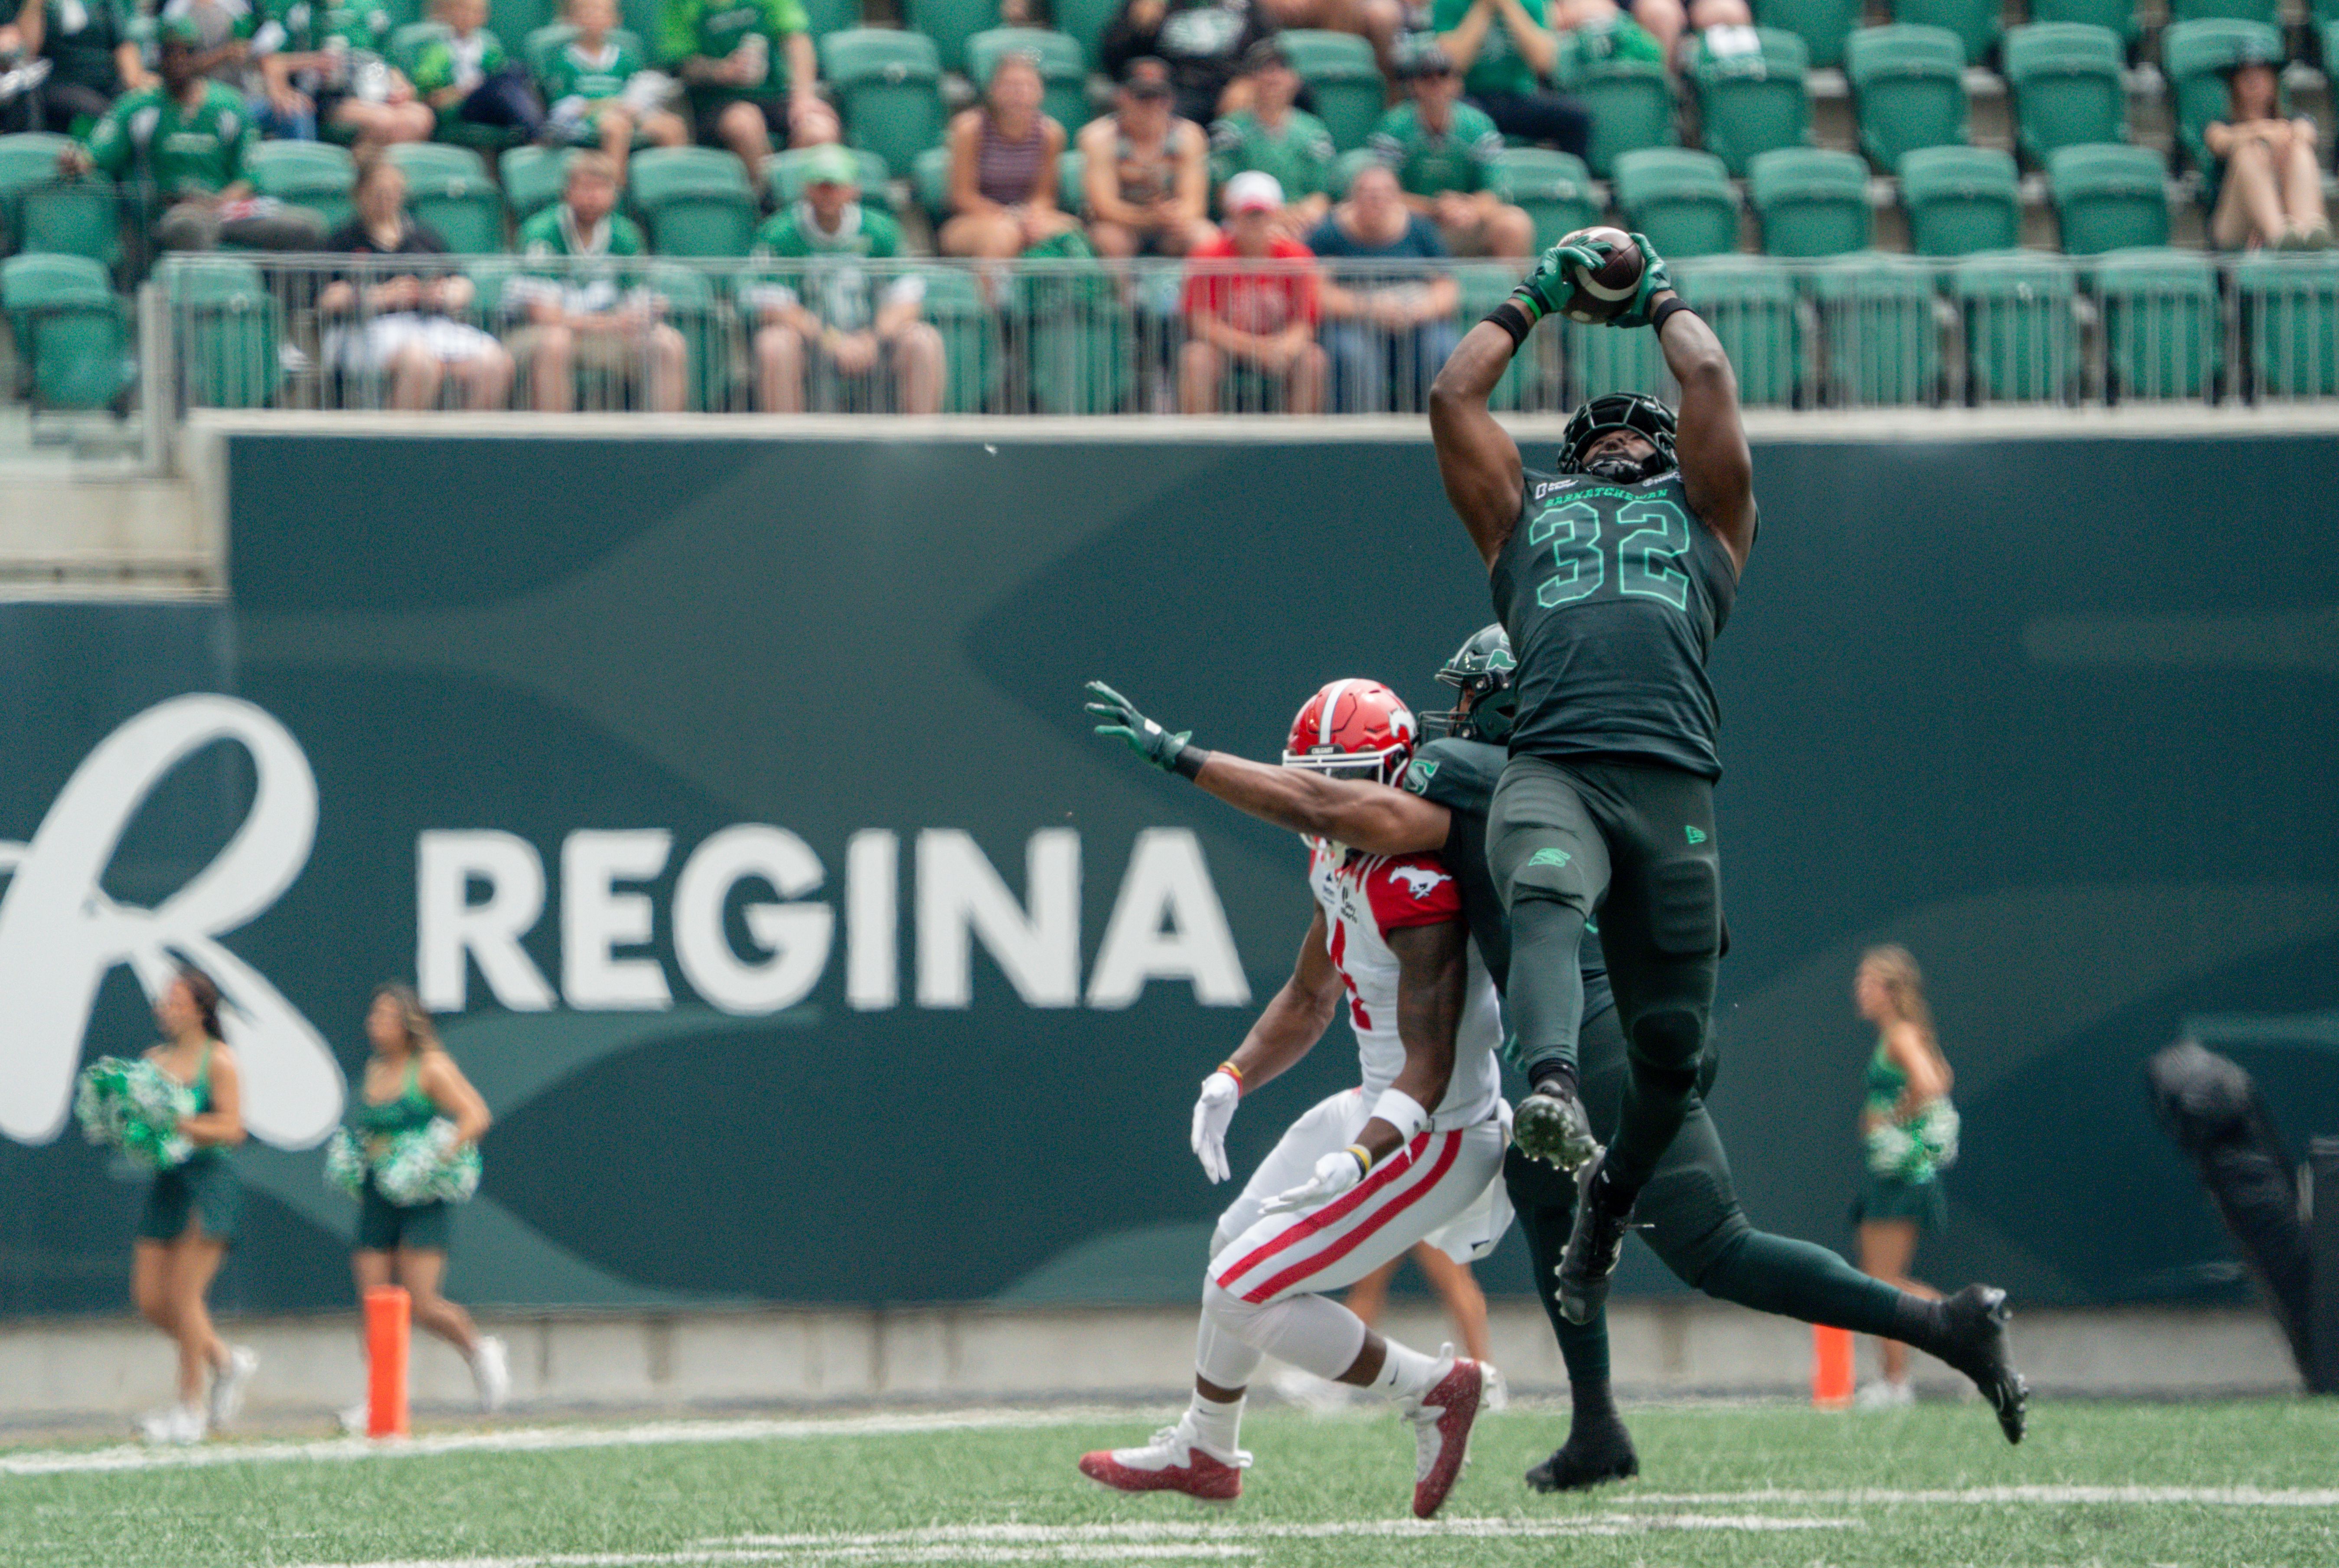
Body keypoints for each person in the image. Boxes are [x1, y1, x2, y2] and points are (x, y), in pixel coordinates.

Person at [1083, 633, 2028, 1489]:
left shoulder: (1473, 779)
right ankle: (1595, 1425)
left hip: (1592, 1044)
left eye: (1467, 703)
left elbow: (1333, 802)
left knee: (1713, 1246)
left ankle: (1941, 1325)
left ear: (1502, 711)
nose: (1447, 721)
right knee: (1541, 1193)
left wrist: (1181, 754)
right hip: (1647, 1020)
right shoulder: (1590, 776)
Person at [1427, 229, 1756, 1337]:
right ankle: (1554, 1085)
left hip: (1671, 784)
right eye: (1597, 431)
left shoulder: (1706, 519)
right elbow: (1451, 396)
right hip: (1556, 761)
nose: (1619, 438)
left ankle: (1606, 1200)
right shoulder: (1522, 516)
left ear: (1667, 457)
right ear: (1568, 459)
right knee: (1542, 894)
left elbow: (1705, 375)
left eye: (1638, 431)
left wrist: (1658, 292)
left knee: (1677, 1055)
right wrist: (1533, 297)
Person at [1076, 678, 1500, 1519]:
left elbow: (1431, 1060)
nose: (1319, 797)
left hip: (1436, 1128)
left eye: (1336, 778)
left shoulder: (1418, 882)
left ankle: (1434, 1387)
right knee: (1231, 1243)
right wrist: (1231, 1075)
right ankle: (1207, 1445)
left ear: (1385, 775)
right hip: (1382, 1104)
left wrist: (1362, 1153)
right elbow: (1310, 999)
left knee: (1242, 1286)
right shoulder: (1341, 859)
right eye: (1314, 774)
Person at [339, 984, 507, 1431]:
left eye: (384, 1014)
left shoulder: (431, 1067)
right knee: (374, 1301)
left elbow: (476, 1115)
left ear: (407, 1023)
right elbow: (371, 1134)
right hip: (378, 1194)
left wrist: (433, 1156)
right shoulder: (375, 1069)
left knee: (423, 1302)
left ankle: (479, 1351)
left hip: (420, 1197)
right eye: (373, 1013)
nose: (373, 1022)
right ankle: (378, 1397)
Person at [63, 16, 327, 251]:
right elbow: (95, 154)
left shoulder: (229, 106)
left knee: (309, 227)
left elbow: (248, 177)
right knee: (188, 227)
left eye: (186, 53)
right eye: (170, 53)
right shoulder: (138, 107)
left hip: (223, 209)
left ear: (199, 56)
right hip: (171, 214)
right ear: (158, 58)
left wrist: (217, 204)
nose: (178, 61)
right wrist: (76, 161)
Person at [130, 965, 258, 1446]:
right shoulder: (152, 1060)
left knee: (185, 1296)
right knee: (150, 1298)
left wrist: (179, 1122)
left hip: (210, 1181)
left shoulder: (219, 1060)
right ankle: (226, 1360)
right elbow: (143, 1126)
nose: (166, 1007)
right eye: (164, 999)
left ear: (201, 1008)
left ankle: (191, 1408)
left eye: (177, 999)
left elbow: (233, 1128)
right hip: (169, 1181)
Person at [748, 142, 944, 414]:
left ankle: (921, 448)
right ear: (806, 189)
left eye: (836, 185)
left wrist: (872, 338)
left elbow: (908, 300)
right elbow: (773, 306)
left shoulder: (882, 230)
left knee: (924, 340)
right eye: (821, 186)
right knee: (774, 345)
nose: (829, 194)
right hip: (810, 343)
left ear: (854, 190)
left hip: (875, 341)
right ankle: (787, 449)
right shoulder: (779, 233)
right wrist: (832, 341)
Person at [1851, 944, 1960, 1409]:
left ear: (1892, 991)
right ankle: (1894, 1381)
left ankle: (1964, 1323)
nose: (1860, 990)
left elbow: (1931, 1083)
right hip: (1889, 1175)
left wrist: (1891, 1118)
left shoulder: (1900, 1034)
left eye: (1868, 982)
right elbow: (1944, 1073)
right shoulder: (1900, 1034)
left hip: (1903, 1176)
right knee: (1876, 1279)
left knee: (1884, 1282)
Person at [319, 156, 514, 410]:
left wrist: (441, 294)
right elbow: (327, 298)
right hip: (367, 330)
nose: (386, 199)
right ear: (359, 194)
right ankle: (401, 448)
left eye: (394, 192)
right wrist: (384, 295)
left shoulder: (422, 236)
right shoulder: (342, 239)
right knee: (419, 361)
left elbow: (462, 286)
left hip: (430, 323)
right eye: (378, 192)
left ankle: (468, 446)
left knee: (494, 361)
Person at [509, 150, 687, 411]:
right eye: (585, 188)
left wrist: (646, 311)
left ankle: (667, 444)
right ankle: (552, 446)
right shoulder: (540, 232)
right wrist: (612, 322)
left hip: (604, 334)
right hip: (536, 333)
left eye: (602, 188)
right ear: (567, 192)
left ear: (614, 194)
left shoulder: (625, 234)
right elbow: (542, 315)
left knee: (668, 343)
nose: (593, 197)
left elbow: (636, 302)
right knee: (555, 341)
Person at [1306, 161, 1458, 414]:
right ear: (1353, 198)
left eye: (1385, 194)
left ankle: (1438, 433)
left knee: (1443, 349)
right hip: (1353, 324)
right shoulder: (1328, 234)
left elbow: (1447, 287)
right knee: (1352, 355)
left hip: (1417, 322)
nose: (1377, 201)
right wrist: (1369, 309)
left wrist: (1421, 310)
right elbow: (1315, 291)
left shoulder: (1422, 230)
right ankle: (1364, 440)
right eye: (1368, 195)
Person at [1180, 169, 1324, 414]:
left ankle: (1302, 445)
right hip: (1225, 348)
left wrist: (1285, 347)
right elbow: (1202, 323)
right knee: (1196, 358)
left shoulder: (1297, 257)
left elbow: (1305, 323)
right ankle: (1199, 445)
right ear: (1233, 215)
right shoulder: (1209, 255)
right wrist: (1255, 348)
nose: (1256, 222)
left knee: (1313, 360)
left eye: (1262, 214)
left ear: (1276, 216)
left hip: (1278, 346)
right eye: (1249, 214)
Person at [1367, 46, 1532, 259]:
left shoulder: (1479, 125)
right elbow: (1383, 192)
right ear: (1414, 85)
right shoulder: (1392, 127)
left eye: (1444, 76)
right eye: (1427, 77)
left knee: (1515, 223)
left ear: (1457, 84)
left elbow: (1496, 190)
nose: (1436, 84)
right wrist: (1435, 208)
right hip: (1411, 225)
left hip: (1466, 222)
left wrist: (1468, 207)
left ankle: (1515, 292)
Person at [659, 0, 834, 181]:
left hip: (773, 95)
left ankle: (795, 199)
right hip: (716, 103)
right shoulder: (681, 5)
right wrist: (723, 71)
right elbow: (683, 66)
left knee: (820, 130)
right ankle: (763, 200)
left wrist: (804, 98)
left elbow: (797, 39)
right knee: (744, 122)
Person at [939, 51, 1080, 261]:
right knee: (1002, 235)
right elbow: (963, 197)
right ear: (994, 91)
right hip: (972, 220)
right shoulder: (969, 129)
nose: (1020, 94)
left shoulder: (1051, 133)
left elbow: (1044, 196)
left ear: (1040, 92)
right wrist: (1011, 217)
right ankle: (991, 294)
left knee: (1071, 232)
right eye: (1011, 86)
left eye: (1028, 86)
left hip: (1026, 217)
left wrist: (1031, 218)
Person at [535, 0, 686, 186]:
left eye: (602, 12)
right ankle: (614, 193)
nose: (595, 18)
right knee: (617, 127)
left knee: (672, 127)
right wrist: (605, 106)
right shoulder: (564, 60)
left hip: (628, 112)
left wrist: (634, 106)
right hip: (589, 119)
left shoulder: (625, 57)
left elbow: (638, 90)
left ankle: (668, 191)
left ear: (616, 19)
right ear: (572, 19)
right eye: (588, 13)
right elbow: (562, 107)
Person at [1080, 57, 1214, 259]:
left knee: (1205, 236)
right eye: (1142, 96)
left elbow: (1195, 205)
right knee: (1110, 239)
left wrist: (1174, 218)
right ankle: (1122, 292)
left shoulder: (1189, 137)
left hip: (1170, 226)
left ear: (1170, 100)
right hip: (1122, 225)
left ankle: (1190, 291)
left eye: (1159, 96)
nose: (1151, 105)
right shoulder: (1100, 138)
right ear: (1122, 97)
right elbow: (1104, 208)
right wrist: (1150, 218)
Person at [1209, 39, 1334, 238]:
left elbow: (1320, 195)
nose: (1273, 78)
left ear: (1295, 79)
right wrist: (1272, 220)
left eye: (1281, 70)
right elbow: (1223, 193)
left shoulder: (1314, 131)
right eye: (1265, 70)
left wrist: (1302, 216)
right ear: (1251, 80)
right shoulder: (1230, 130)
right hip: (1246, 222)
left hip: (1300, 225)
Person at [2206, 53, 2330, 251]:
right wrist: (2263, 133)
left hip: (2289, 211)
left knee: (2300, 149)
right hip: (2234, 227)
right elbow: (2220, 141)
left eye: (2262, 76)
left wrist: (2282, 139)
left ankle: (2306, 231)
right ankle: (2279, 236)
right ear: (2234, 85)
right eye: (2246, 77)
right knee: (2249, 152)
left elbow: (2307, 133)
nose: (2254, 83)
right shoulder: (2221, 125)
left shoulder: (2292, 121)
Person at [1432, 0, 1586, 156]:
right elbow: (1451, 66)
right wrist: (1484, 8)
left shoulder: (1534, 3)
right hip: (1470, 96)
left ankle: (1569, 178)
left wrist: (1509, 6)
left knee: (1577, 118)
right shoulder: (1448, 3)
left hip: (1520, 96)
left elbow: (1545, 63)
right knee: (1453, 119)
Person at [1100, 0, 1276, 130]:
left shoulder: (1246, 6)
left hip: (1229, 88)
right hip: (1174, 90)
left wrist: (1250, 80)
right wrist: (1136, 26)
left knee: (1252, 115)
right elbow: (1114, 60)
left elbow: (1269, 48)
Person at [0, 0, 148, 136]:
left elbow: (122, 43)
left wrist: (136, 83)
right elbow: (28, 52)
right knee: (103, 115)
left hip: (107, 77)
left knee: (140, 109)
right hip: (58, 80)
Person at [407, 0, 545, 142]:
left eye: (475, 12)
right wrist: (463, 91)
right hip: (464, 107)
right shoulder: (438, 50)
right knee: (505, 79)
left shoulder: (488, 48)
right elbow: (429, 95)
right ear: (448, 12)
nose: (467, 16)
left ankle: (535, 131)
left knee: (513, 72)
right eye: (462, 10)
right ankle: (538, 133)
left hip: (492, 102)